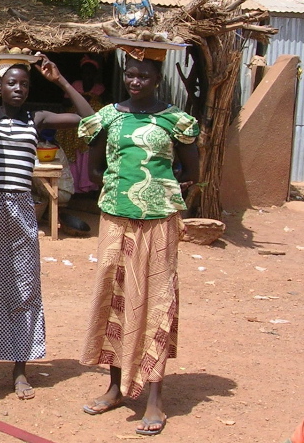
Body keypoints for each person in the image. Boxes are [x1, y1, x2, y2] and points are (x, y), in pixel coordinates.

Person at [0, 55, 94, 401]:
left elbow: (90, 118)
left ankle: (20, 369)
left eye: (24, 84)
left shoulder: (38, 118)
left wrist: (59, 79)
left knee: (23, 289)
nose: (18, 89)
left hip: (21, 212)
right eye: (11, 83)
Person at [78, 46, 200, 436]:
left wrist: (154, 194)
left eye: (143, 75)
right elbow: (96, 166)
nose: (135, 81)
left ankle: (154, 398)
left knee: (156, 299)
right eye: (130, 74)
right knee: (115, 295)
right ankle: (114, 387)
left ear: (157, 79)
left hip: (159, 222)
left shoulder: (175, 121)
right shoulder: (109, 117)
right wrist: (122, 191)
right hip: (116, 220)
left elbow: (190, 169)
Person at [56, 54, 106, 193]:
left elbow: (105, 103)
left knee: (88, 152)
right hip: (75, 125)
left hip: (92, 124)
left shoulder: (99, 88)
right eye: (85, 72)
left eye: (91, 72)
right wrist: (79, 98)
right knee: (74, 154)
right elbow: (65, 102)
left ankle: (88, 185)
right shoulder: (76, 85)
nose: (88, 75)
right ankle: (75, 186)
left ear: (95, 74)